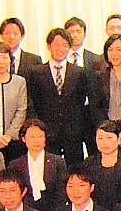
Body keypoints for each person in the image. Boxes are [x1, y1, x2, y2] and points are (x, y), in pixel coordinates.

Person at [27, 27, 90, 165]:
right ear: (49, 46)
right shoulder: (37, 72)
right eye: (57, 45)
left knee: (75, 169)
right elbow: (34, 101)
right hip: (48, 133)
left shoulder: (79, 72)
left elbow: (80, 102)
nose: (61, 49)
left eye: (65, 45)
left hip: (73, 134)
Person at [6, 118, 68, 211]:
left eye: (40, 136)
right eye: (32, 137)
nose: (36, 141)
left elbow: (61, 192)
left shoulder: (58, 162)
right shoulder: (15, 165)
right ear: (23, 138)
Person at [80, 120, 121, 210]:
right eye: (100, 138)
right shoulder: (89, 163)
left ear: (118, 139)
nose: (104, 142)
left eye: (109, 137)